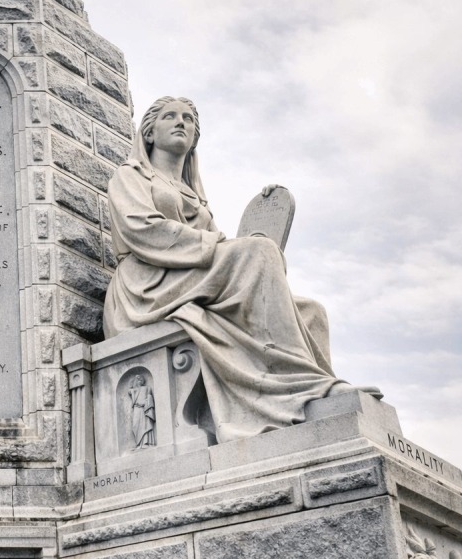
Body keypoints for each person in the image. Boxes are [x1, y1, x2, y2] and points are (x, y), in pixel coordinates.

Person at [104, 96, 379, 442]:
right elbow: (142, 229)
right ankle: (304, 388)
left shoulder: (192, 192)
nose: (181, 123)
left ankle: (316, 394)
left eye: (188, 119)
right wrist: (235, 248)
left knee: (311, 312)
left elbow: (222, 250)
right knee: (259, 253)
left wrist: (262, 220)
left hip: (186, 276)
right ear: (148, 132)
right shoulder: (130, 177)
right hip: (146, 285)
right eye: (170, 117)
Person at [127, 374, 155, 448]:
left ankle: (146, 442)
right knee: (135, 425)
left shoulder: (147, 388)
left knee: (145, 425)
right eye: (137, 379)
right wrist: (132, 385)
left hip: (144, 409)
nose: (139, 380)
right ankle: (139, 443)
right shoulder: (134, 390)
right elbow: (129, 391)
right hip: (137, 409)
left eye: (140, 379)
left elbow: (149, 398)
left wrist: (145, 403)